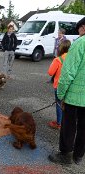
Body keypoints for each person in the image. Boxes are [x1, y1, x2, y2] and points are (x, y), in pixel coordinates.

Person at [48, 17, 85, 165]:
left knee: (69, 126)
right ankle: (78, 156)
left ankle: (65, 155)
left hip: (75, 96)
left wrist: (61, 95)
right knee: (84, 127)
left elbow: (68, 73)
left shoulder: (80, 43)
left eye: (79, 30)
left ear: (83, 27)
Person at [47, 40, 71, 129]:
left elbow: (50, 72)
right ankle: (67, 122)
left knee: (59, 104)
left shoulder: (58, 59)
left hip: (59, 86)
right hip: (70, 86)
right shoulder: (72, 58)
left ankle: (59, 123)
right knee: (67, 104)